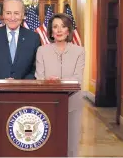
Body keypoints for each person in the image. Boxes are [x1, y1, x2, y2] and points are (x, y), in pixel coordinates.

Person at [0, 0, 41, 156]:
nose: (12, 17)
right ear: (2, 14)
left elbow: (37, 69)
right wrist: (0, 83)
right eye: (8, 12)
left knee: (20, 145)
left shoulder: (33, 38)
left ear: (24, 15)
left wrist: (19, 82)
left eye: (16, 13)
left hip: (23, 99)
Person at [35, 13, 85, 157]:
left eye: (63, 26)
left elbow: (78, 79)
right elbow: (40, 77)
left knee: (71, 144)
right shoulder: (42, 51)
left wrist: (58, 82)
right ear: (51, 31)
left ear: (68, 30)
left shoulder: (79, 51)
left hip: (72, 103)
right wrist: (48, 82)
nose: (59, 30)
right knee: (48, 142)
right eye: (55, 27)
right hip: (48, 104)